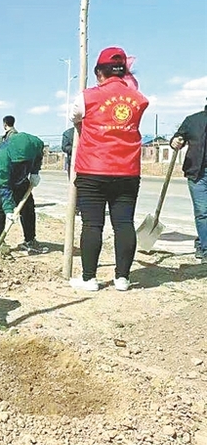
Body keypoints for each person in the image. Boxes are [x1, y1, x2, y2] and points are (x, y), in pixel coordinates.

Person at [69, 46, 149, 292]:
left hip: (93, 169)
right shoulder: (139, 99)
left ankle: (89, 278)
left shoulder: (86, 96)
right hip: (127, 171)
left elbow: (74, 118)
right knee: (124, 223)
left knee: (92, 225)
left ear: (98, 72)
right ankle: (122, 278)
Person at [0, 132, 45, 254]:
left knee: (28, 204)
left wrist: (35, 172)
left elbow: (38, 157)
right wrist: (9, 210)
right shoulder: (2, 156)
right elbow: (4, 186)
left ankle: (30, 240)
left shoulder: (36, 144)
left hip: (19, 176)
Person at [170, 100, 207, 263]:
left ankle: (201, 241)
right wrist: (175, 142)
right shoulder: (193, 121)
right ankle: (205, 248)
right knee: (203, 212)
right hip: (198, 174)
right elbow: (177, 138)